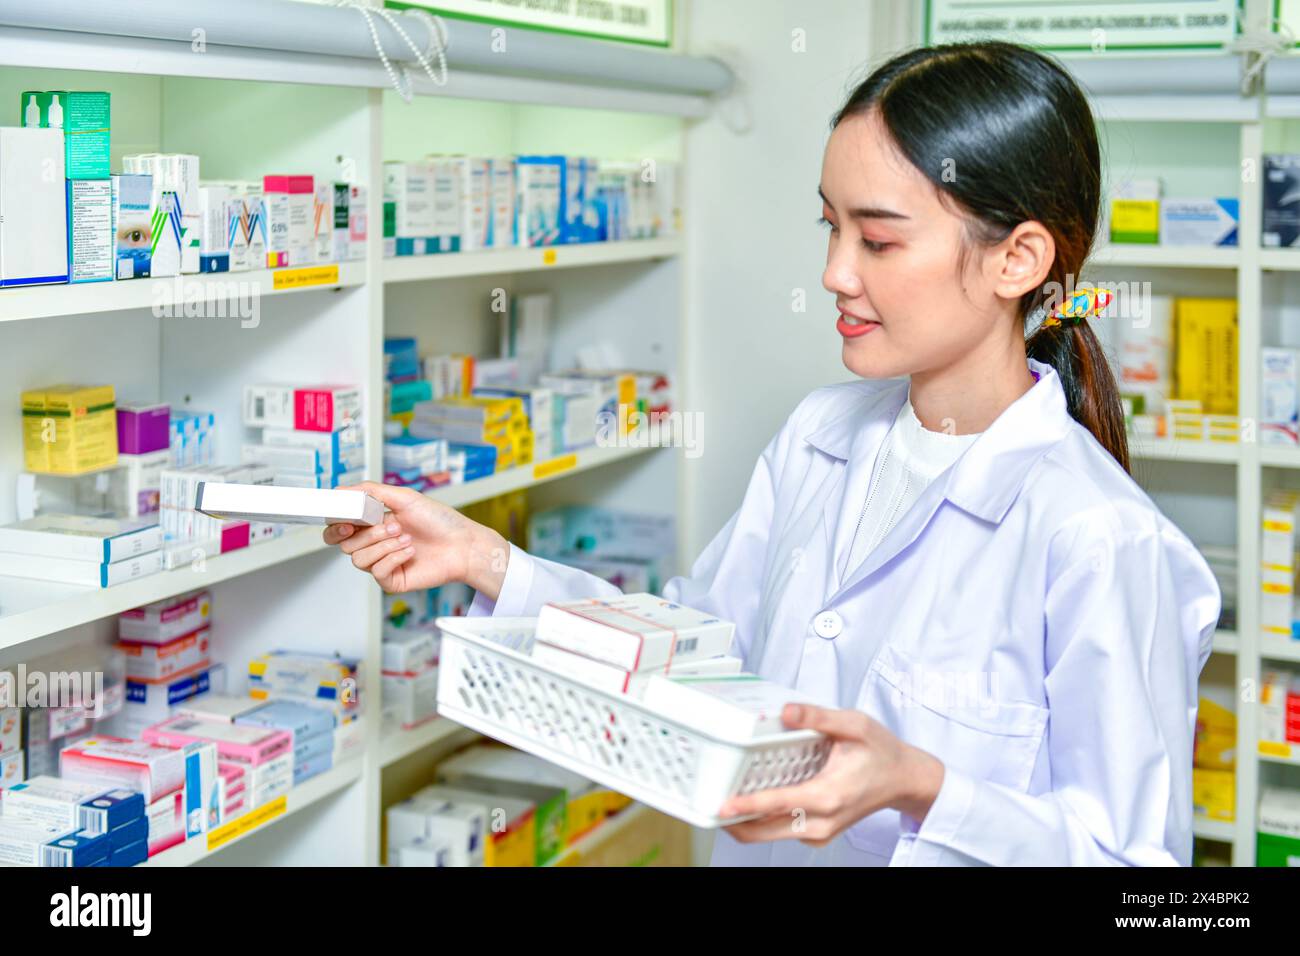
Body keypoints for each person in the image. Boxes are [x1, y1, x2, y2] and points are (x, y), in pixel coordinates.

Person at [326, 41, 1220, 866]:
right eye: (828, 227)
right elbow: (698, 656)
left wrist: (925, 787)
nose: (836, 272)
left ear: (1018, 258)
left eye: (877, 239)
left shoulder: (1099, 536)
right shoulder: (820, 436)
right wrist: (487, 562)